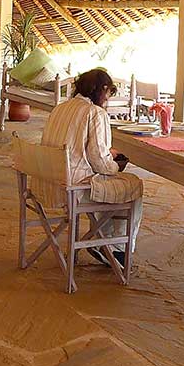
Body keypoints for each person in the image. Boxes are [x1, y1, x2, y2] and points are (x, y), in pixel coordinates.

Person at [41, 68, 143, 266]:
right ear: (103, 89)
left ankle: (102, 241)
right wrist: (115, 165)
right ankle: (115, 248)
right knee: (132, 186)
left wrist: (106, 158)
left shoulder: (59, 108)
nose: (107, 99)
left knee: (110, 185)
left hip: (48, 181)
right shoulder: (95, 113)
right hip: (73, 188)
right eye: (109, 93)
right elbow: (100, 162)